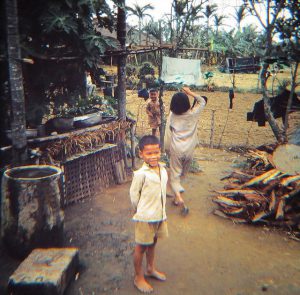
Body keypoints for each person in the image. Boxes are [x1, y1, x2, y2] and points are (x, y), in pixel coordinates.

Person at [130, 135, 168, 293]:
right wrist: (140, 211)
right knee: (141, 247)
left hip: (160, 215)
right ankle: (138, 277)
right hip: (145, 217)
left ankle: (150, 269)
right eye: (149, 154)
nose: (153, 156)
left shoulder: (163, 169)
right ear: (141, 154)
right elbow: (134, 196)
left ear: (160, 151)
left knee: (153, 242)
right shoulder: (140, 174)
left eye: (156, 152)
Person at [164, 86, 207, 216]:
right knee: (182, 173)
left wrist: (167, 149)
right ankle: (177, 196)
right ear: (187, 103)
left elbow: (168, 133)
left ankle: (179, 198)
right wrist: (189, 92)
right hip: (189, 150)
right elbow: (202, 101)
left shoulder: (172, 116)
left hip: (176, 149)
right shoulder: (193, 114)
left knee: (174, 174)